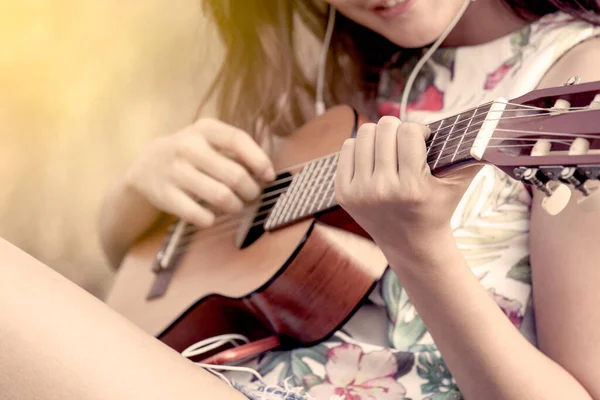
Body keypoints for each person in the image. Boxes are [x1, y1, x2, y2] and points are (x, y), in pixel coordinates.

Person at [95, 0, 600, 399]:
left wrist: (419, 250)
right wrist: (135, 193)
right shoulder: (336, 71)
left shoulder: (577, 81)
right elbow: (136, 272)